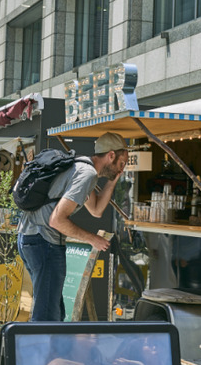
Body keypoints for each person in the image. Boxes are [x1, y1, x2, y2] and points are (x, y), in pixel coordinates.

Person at [17, 132, 128, 321]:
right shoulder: (87, 173)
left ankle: (52, 349)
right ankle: (41, 350)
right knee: (46, 315)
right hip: (44, 242)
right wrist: (93, 239)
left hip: (30, 238)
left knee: (53, 309)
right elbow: (57, 220)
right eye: (121, 163)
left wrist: (112, 181)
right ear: (111, 155)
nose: (122, 168)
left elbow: (96, 210)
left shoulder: (82, 167)